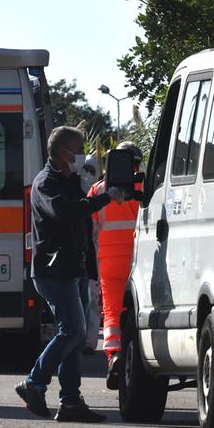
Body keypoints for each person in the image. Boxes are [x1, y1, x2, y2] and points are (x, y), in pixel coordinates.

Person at [14, 126, 125, 423]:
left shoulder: (69, 180)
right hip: (53, 271)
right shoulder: (46, 183)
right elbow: (65, 211)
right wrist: (104, 198)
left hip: (72, 269)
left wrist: (89, 270)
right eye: (78, 149)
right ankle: (33, 383)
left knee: (74, 338)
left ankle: (71, 401)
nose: (82, 155)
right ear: (64, 152)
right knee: (74, 332)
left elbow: (82, 224)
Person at [88, 141, 143, 390]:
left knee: (111, 311)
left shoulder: (98, 189)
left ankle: (113, 357)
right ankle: (136, 356)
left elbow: (89, 226)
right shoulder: (144, 186)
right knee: (138, 309)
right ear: (136, 164)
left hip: (108, 261)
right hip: (139, 259)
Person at [81, 154, 101, 355]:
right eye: (85, 169)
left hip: (98, 253)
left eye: (91, 170)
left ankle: (89, 341)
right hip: (86, 253)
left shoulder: (98, 193)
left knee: (93, 299)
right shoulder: (74, 192)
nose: (87, 174)